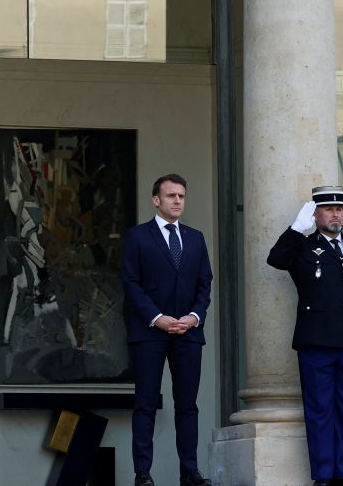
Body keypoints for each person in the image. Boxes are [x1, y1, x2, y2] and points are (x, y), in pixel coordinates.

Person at [268, 185, 343, 486]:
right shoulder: (302, 247)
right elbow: (275, 259)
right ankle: (323, 475)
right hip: (316, 342)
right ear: (315, 214)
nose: (335, 214)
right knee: (319, 410)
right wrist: (294, 229)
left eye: (339, 209)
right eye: (328, 209)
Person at [119, 174, 213, 486]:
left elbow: (204, 283)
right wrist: (156, 317)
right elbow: (130, 283)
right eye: (171, 196)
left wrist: (194, 317)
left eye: (181, 196)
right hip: (150, 332)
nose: (177, 201)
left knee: (187, 405)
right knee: (145, 402)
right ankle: (143, 473)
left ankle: (190, 471)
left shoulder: (196, 237)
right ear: (156, 200)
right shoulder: (137, 236)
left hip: (188, 332)